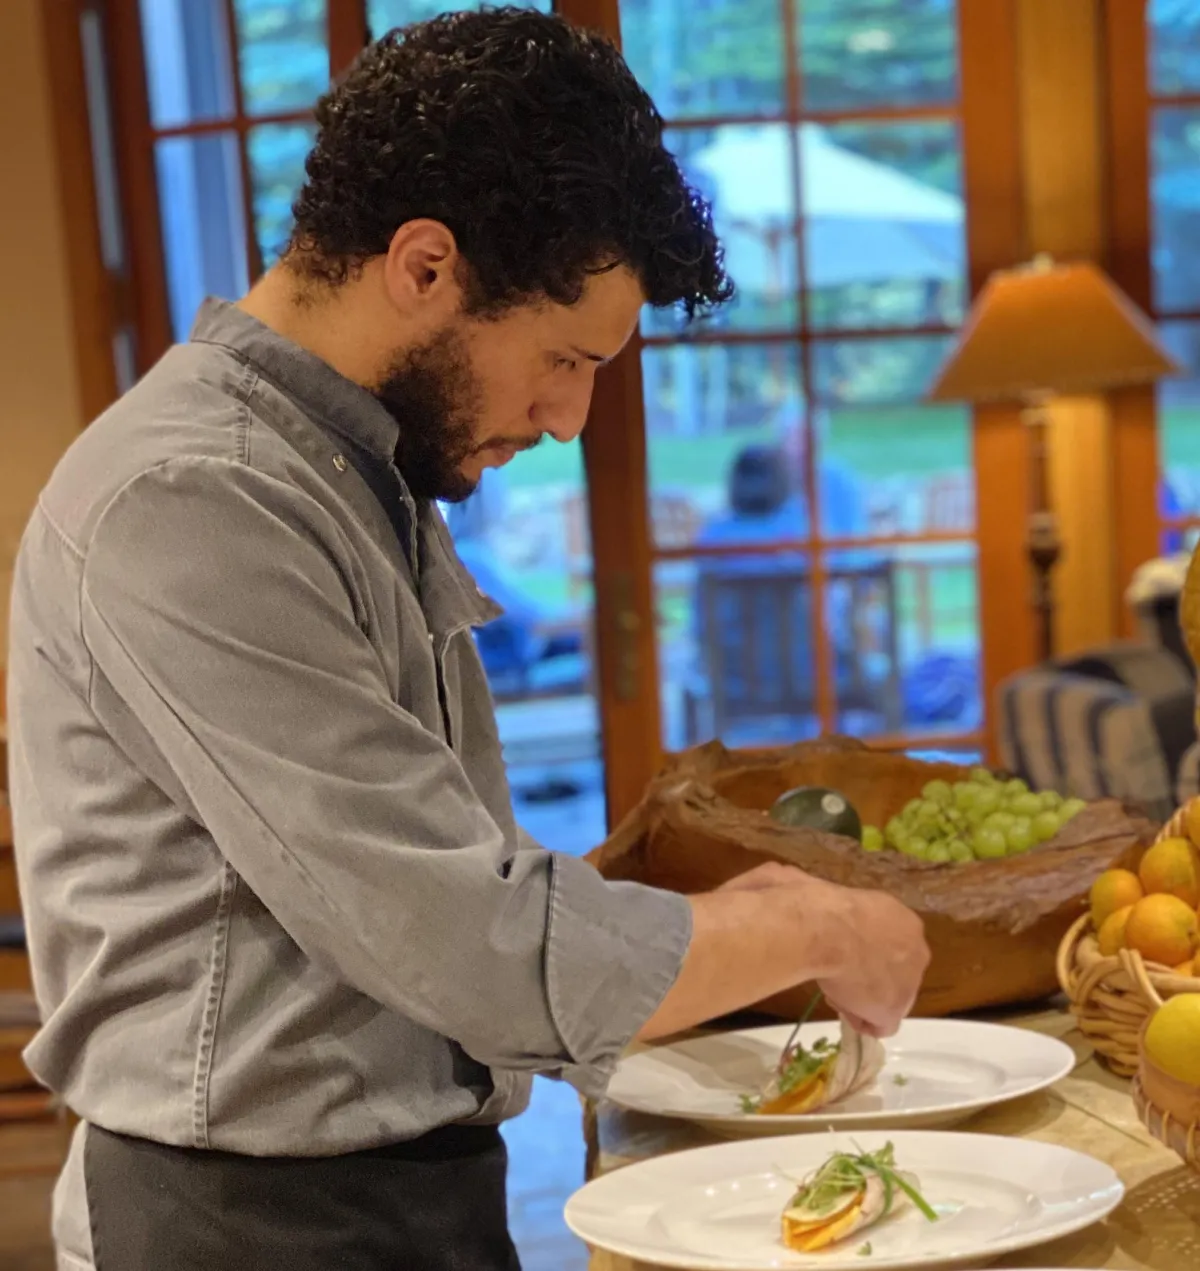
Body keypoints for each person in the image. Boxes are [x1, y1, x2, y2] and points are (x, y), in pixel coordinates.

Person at [7, 11, 929, 1270]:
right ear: (426, 265)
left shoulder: (344, 466)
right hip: (246, 1223)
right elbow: (457, 934)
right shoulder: (197, 497)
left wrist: (724, 915)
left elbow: (432, 858)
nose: (569, 415)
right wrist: (817, 931)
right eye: (563, 357)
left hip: (379, 1194)